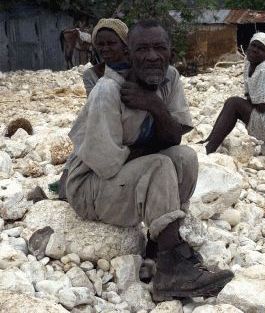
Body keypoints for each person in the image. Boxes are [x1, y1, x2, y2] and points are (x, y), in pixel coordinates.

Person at [64, 20, 233, 300]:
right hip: (90, 188)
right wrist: (151, 157)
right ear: (129, 53)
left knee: (185, 158)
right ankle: (172, 269)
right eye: (142, 49)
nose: (152, 56)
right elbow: (107, 166)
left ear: (170, 53)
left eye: (159, 48)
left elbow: (174, 138)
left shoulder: (169, 79)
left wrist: (153, 104)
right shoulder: (107, 90)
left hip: (121, 182)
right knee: (160, 165)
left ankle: (158, 245)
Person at [53, 18, 130, 200]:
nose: (105, 49)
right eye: (100, 44)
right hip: (102, 123)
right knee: (79, 153)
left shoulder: (134, 71)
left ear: (124, 45)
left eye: (111, 43)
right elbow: (95, 108)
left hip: (128, 123)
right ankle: (69, 187)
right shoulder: (91, 74)